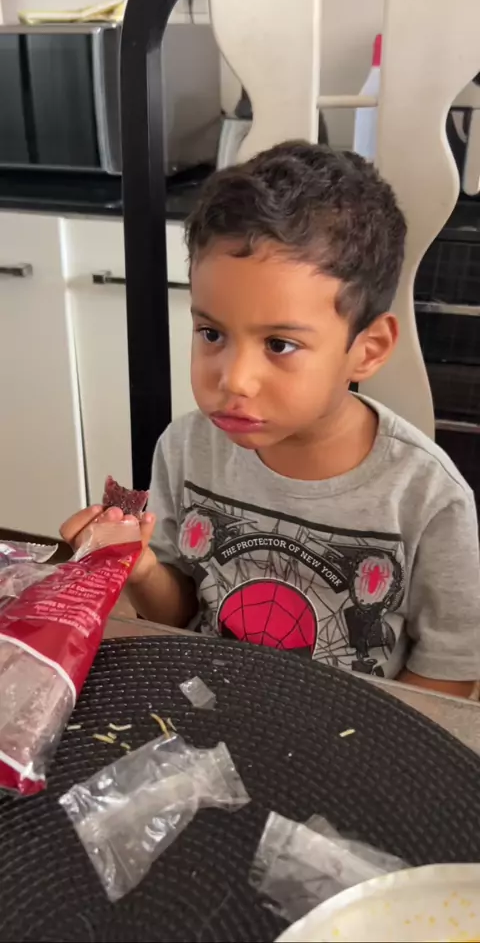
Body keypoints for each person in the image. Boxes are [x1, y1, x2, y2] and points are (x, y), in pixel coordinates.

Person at [61, 141, 480, 696]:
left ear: (368, 349)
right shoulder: (186, 448)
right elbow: (178, 614)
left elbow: (449, 675)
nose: (234, 380)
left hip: (354, 732)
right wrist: (139, 569)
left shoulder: (427, 496)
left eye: (280, 344)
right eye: (211, 333)